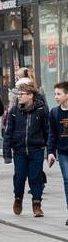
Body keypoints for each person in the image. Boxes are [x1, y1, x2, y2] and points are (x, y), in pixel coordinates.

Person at [4, 81, 48, 217]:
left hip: (36, 150)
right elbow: (8, 132)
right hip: (19, 151)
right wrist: (7, 153)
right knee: (19, 177)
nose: (19, 97)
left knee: (36, 177)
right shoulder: (14, 111)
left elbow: (47, 130)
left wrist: (46, 146)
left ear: (30, 96)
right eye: (19, 94)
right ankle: (18, 198)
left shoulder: (41, 110)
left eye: (22, 94)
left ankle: (37, 204)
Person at [47, 81, 68, 225]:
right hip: (63, 152)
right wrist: (50, 152)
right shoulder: (54, 112)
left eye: (59, 94)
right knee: (67, 180)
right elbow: (52, 134)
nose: (56, 96)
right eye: (55, 94)